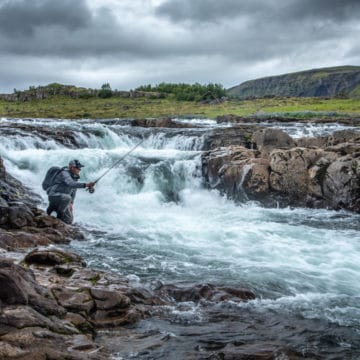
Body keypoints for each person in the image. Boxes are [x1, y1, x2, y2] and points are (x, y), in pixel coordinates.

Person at [46, 159, 95, 224]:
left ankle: (54, 209)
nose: (79, 169)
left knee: (69, 220)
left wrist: (71, 203)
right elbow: (71, 184)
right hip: (54, 195)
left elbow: (74, 190)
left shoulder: (75, 177)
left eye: (80, 168)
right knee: (67, 198)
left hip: (63, 198)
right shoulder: (64, 173)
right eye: (77, 168)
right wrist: (86, 185)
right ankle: (58, 218)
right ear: (71, 167)